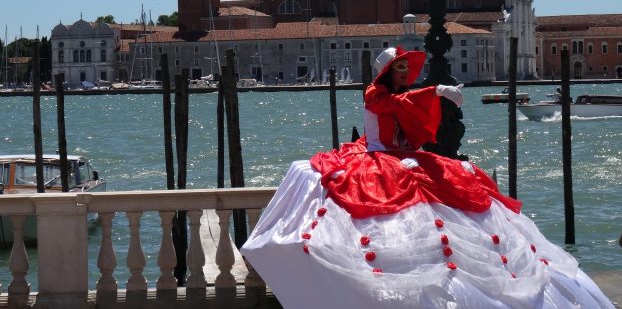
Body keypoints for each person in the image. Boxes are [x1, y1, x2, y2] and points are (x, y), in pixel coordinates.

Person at [241, 46, 613, 308]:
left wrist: (432, 93)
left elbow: (407, 106)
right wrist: (436, 90)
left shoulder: (401, 91)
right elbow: (396, 105)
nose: (404, 73)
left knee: (461, 182)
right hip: (378, 156)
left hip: (402, 155)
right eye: (399, 69)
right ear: (387, 71)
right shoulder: (376, 92)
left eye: (406, 68)